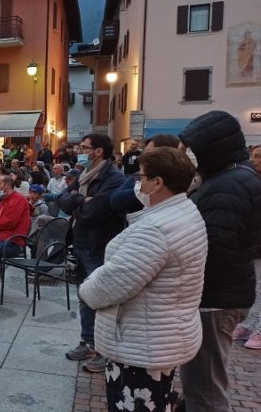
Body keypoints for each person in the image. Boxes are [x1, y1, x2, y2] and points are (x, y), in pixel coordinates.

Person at [79, 147, 207, 412]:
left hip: (143, 344)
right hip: (160, 336)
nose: (138, 183)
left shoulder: (156, 229)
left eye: (142, 177)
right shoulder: (185, 212)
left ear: (157, 183)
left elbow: (110, 284)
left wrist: (86, 286)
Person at [177, 111, 261, 412]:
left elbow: (215, 250)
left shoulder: (230, 184)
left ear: (211, 149)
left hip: (216, 299)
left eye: (192, 149)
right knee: (200, 380)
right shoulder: (229, 177)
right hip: (219, 295)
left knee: (206, 385)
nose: (188, 156)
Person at [58, 133, 125, 373]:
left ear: (98, 152)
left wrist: (79, 205)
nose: (80, 151)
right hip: (80, 241)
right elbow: (61, 199)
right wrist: (81, 200)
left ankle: (103, 350)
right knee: (84, 296)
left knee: (101, 300)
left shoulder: (113, 178)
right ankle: (88, 341)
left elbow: (94, 213)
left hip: (99, 245)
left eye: (84, 148)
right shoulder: (85, 175)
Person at [233, 144, 261, 349]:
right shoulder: (248, 180)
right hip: (254, 241)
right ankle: (249, 324)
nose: (254, 160)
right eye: (253, 155)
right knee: (255, 284)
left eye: (259, 157)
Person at [110, 134, 180, 215]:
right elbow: (116, 200)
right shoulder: (138, 175)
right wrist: (142, 190)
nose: (144, 156)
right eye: (145, 151)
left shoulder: (180, 178)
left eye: (150, 153)